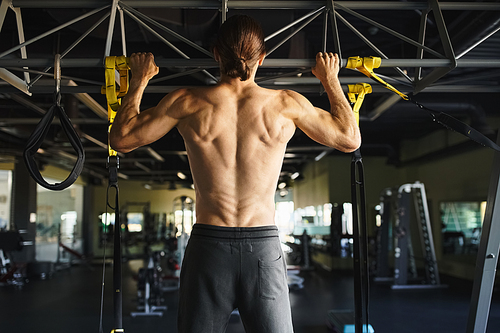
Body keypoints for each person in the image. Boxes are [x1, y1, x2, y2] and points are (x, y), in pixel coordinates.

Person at [110, 14, 360, 333]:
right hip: (263, 249)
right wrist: (330, 79)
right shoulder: (286, 104)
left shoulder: (186, 101)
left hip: (208, 248)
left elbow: (122, 138)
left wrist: (139, 80)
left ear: (216, 54)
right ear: (262, 57)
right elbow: (349, 138)